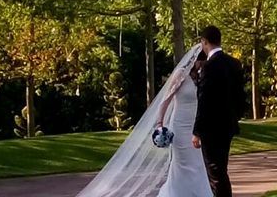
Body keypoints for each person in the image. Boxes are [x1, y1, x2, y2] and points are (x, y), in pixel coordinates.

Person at [75, 43, 212, 197]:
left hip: (196, 128)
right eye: (202, 61)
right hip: (179, 127)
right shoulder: (180, 74)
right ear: (194, 59)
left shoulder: (204, 78)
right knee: (182, 165)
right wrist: (160, 124)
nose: (203, 65)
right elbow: (165, 101)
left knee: (199, 165)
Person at [192, 26, 246, 197]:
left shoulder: (208, 67)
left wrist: (197, 131)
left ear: (204, 42)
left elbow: (204, 101)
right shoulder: (234, 63)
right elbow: (240, 96)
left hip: (211, 128)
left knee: (215, 173)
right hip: (228, 125)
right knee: (221, 169)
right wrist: (234, 116)